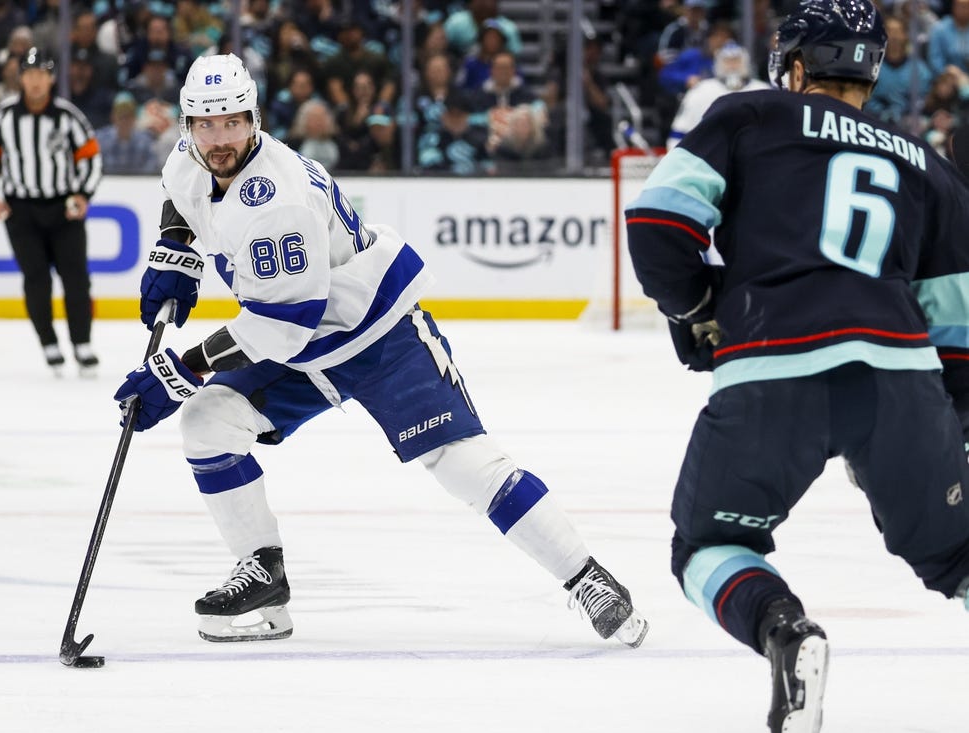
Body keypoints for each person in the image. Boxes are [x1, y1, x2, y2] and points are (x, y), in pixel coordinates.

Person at [111, 53, 649, 649]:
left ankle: (586, 577)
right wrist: (175, 249)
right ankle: (264, 575)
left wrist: (182, 368)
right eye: (205, 125)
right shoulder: (190, 156)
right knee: (209, 424)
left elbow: (282, 326)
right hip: (308, 346)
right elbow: (179, 195)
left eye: (232, 122)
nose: (218, 139)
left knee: (463, 466)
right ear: (187, 125)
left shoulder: (274, 200)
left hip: (376, 334)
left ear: (254, 118)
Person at [625, 2, 969, 732]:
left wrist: (698, 306)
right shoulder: (927, 164)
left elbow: (658, 223)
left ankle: (786, 630)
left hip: (774, 363)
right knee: (959, 555)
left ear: (799, 66)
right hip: (901, 380)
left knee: (709, 546)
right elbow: (959, 326)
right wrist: (949, 425)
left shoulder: (750, 115)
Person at [0, 48, 103, 376]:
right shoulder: (3, 116)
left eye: (41, 74)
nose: (35, 81)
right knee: (36, 279)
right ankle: (48, 342)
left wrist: (83, 193)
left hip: (64, 210)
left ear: (51, 78)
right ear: (21, 79)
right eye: (29, 74)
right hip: (21, 211)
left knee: (76, 279)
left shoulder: (67, 116)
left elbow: (90, 156)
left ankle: (82, 343)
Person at [666, 41, 770, 150]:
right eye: (727, 61)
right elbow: (681, 130)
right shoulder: (700, 90)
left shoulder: (763, 90)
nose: (732, 66)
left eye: (736, 60)